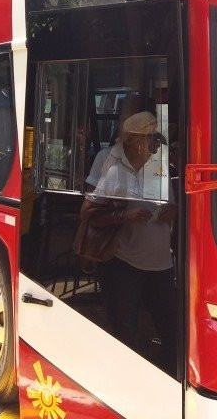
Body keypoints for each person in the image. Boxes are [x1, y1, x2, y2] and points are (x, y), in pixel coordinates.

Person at [84, 111, 177, 373]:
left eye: (155, 138)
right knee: (125, 329)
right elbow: (88, 212)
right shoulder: (114, 168)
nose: (155, 144)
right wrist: (124, 216)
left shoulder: (160, 165)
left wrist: (172, 211)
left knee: (171, 328)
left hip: (161, 262)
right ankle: (123, 378)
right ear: (136, 141)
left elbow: (170, 203)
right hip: (124, 262)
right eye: (150, 138)